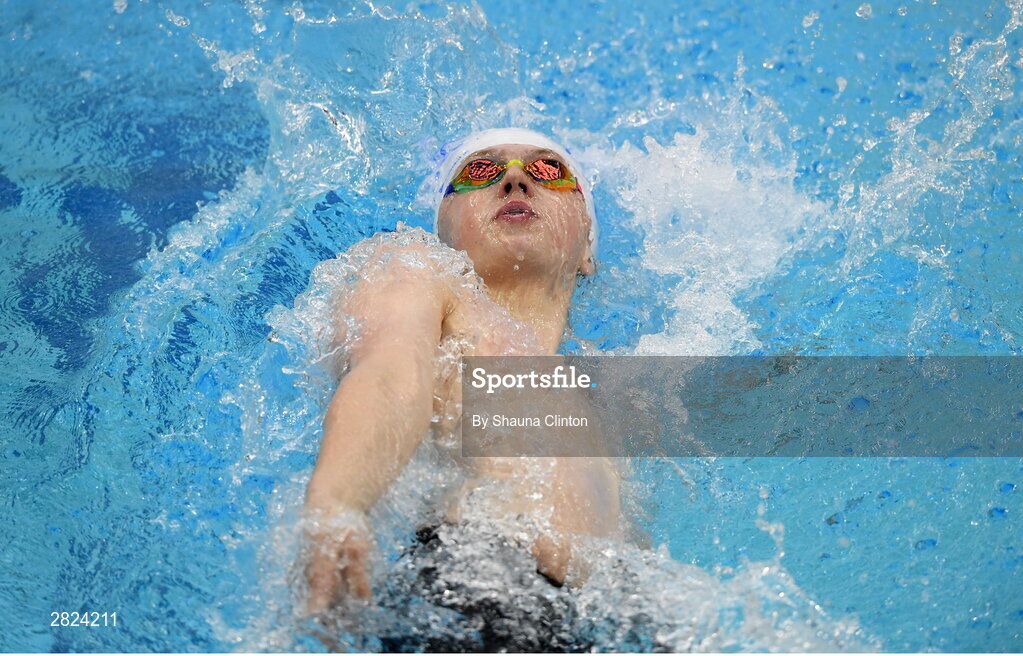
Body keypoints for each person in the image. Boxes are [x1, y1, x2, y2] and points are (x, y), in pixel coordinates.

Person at [301, 128, 623, 650]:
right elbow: (390, 371)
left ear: (588, 246)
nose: (514, 180)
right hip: (476, 598)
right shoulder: (419, 271)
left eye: (548, 171)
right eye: (479, 172)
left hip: (604, 626)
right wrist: (337, 505)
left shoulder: (602, 399)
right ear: (444, 232)